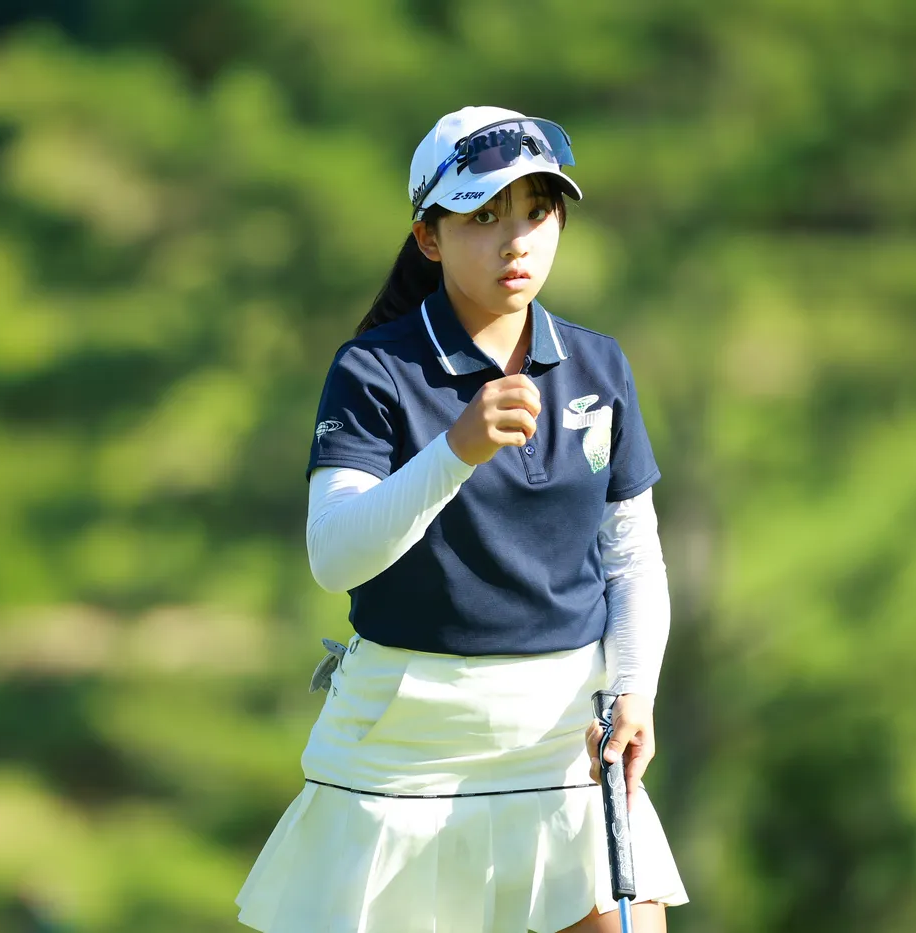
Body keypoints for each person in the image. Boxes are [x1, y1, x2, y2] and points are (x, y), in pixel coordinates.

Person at [236, 106, 688, 933]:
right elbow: (335, 554)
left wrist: (635, 687)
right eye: (484, 217)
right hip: (405, 746)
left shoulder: (598, 363)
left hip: (564, 738)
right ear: (429, 237)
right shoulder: (373, 369)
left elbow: (631, 557)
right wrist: (455, 450)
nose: (517, 242)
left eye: (538, 212)